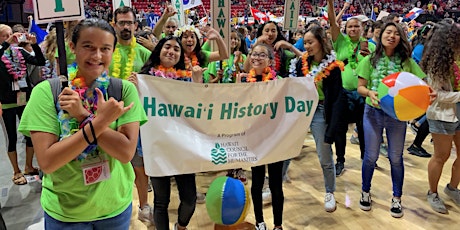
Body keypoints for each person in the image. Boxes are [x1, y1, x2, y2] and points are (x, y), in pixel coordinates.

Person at [18, 18, 147, 228]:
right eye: (88, 47)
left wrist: (82, 115)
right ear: (72, 47)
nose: (97, 56)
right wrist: (100, 121)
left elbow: (125, 153)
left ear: (113, 51)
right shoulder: (47, 92)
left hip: (114, 208)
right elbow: (48, 162)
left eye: (105, 48)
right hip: (65, 214)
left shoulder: (122, 91)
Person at [356, 22, 427, 218]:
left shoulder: (407, 62)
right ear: (381, 35)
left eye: (397, 33)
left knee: (396, 158)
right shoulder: (369, 60)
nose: (392, 36)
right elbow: (360, 87)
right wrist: (369, 92)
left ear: (401, 38)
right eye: (388, 32)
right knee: (370, 156)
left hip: (397, 116)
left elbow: (422, 85)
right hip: (373, 113)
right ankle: (365, 191)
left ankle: (397, 198)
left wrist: (430, 94)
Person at [139, 35, 204, 230]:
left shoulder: (185, 79)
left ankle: (181, 227)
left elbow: (200, 108)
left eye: (177, 49)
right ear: (158, 50)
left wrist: (197, 81)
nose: (171, 51)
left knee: (190, 200)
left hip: (182, 147)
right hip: (157, 147)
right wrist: (134, 87)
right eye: (167, 47)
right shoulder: (145, 79)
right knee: (161, 201)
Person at [290, 25, 346, 212]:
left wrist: (332, 129)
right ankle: (274, 185)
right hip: (301, 110)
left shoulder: (333, 67)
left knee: (324, 154)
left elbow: (337, 98)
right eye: (305, 42)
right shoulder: (300, 63)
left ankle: (330, 191)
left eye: (310, 42)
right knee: (287, 148)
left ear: (321, 42)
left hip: (321, 111)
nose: (306, 46)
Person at [110, 6, 153, 224]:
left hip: (137, 118)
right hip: (109, 119)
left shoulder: (145, 54)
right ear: (114, 24)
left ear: (136, 25)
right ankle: (116, 207)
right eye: (121, 23)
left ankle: (144, 205)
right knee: (113, 166)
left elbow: (161, 78)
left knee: (139, 165)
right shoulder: (107, 51)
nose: (126, 27)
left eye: (129, 23)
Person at [237, 43, 284, 230]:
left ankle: (278, 224)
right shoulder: (244, 81)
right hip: (255, 139)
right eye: (253, 54)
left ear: (270, 61)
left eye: (261, 55)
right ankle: (259, 221)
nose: (256, 57)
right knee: (256, 182)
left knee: (275, 183)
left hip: (274, 139)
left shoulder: (278, 80)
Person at [327, 0, 376, 176]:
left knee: (365, 127)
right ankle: (340, 160)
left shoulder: (370, 46)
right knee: (340, 128)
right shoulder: (340, 42)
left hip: (363, 93)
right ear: (345, 29)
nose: (353, 29)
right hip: (343, 93)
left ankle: (366, 158)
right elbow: (333, 22)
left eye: (356, 26)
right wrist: (330, 4)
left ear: (362, 29)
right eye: (350, 27)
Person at [0, 24, 46, 185]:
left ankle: (28, 166)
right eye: (5, 36)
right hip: (6, 103)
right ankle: (16, 171)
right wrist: (6, 43)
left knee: (30, 133)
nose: (11, 37)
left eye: (11, 34)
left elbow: (40, 61)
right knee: (11, 137)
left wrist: (34, 44)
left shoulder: (19, 52)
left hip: (23, 99)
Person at [422, 21, 460, 214]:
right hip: (442, 114)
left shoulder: (458, 56)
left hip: (457, 111)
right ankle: (432, 192)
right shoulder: (437, 61)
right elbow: (436, 95)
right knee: (441, 156)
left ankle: (452, 188)